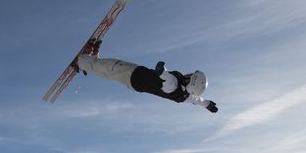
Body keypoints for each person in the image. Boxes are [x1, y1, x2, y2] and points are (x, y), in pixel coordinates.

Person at [75, 41, 218, 113]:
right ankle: (93, 59)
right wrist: (207, 104)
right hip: (136, 79)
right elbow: (196, 99)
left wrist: (162, 71)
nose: (188, 73)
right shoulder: (185, 95)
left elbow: (167, 80)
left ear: (190, 81)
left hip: (134, 76)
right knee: (110, 69)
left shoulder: (174, 85)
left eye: (191, 75)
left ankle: (82, 61)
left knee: (111, 67)